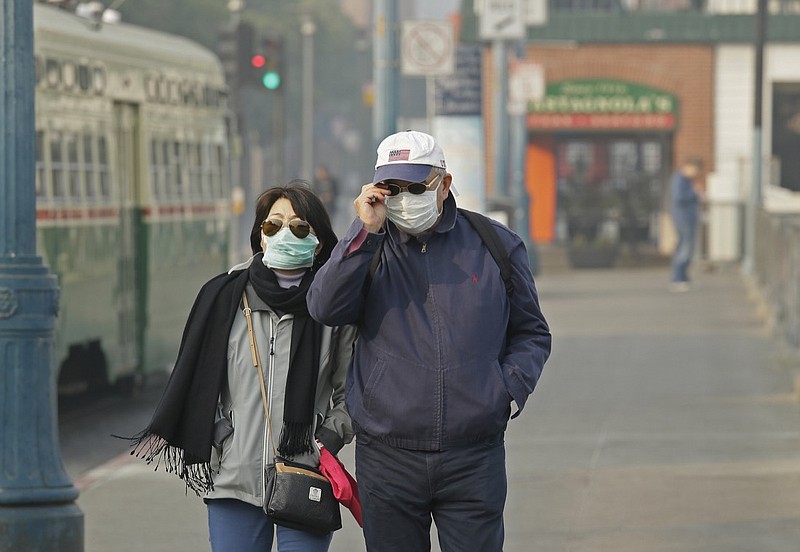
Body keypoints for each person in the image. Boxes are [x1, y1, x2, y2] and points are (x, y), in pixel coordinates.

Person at [307, 130, 552, 552]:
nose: (404, 198)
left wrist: (505, 389)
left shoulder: (494, 244)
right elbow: (324, 307)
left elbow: (532, 332)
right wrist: (363, 234)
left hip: (474, 454)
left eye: (416, 187)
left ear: (444, 184)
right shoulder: (368, 247)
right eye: (392, 188)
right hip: (388, 455)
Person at [128, 182, 356, 552]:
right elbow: (198, 381)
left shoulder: (334, 309)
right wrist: (221, 436)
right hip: (233, 483)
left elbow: (353, 392)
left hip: (305, 477)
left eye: (299, 227)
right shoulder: (223, 298)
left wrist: (326, 439)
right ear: (260, 237)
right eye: (273, 226)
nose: (285, 234)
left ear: (318, 242)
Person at [669, 158, 703, 291]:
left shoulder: (685, 180)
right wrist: (694, 193)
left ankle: (683, 277)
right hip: (684, 218)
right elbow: (679, 197)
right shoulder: (680, 180)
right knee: (685, 248)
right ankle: (678, 278)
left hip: (686, 217)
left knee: (685, 247)